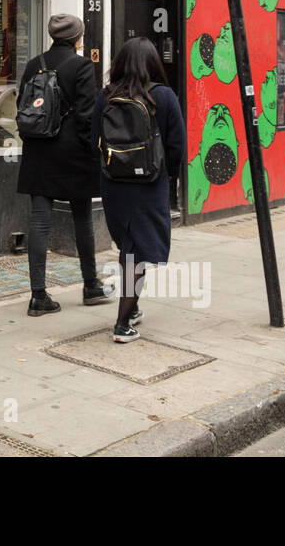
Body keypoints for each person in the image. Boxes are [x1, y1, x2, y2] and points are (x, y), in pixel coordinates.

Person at [16, 14, 113, 315]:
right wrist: (93, 151)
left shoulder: (35, 64)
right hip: (72, 152)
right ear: (76, 38)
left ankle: (38, 295)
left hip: (38, 150)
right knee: (82, 217)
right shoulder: (82, 66)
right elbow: (87, 115)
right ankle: (91, 285)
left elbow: (23, 103)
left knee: (40, 220)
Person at [92, 37, 186, 343]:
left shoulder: (105, 96)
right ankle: (122, 324)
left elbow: (94, 138)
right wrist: (169, 179)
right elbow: (176, 146)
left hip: (114, 184)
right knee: (138, 252)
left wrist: (109, 168)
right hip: (149, 183)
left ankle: (131, 310)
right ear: (153, 63)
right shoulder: (164, 96)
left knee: (129, 248)